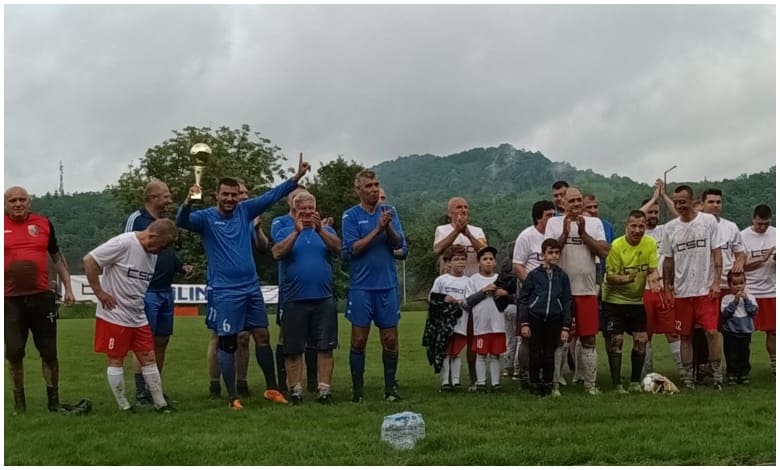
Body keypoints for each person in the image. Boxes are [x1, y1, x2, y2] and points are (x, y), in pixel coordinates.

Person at [177, 154, 310, 409]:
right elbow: (181, 221)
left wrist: (296, 178)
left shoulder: (245, 211)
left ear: (239, 196)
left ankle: (272, 389)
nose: (230, 199)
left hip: (251, 287)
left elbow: (270, 196)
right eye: (225, 194)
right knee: (227, 341)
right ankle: (232, 397)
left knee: (262, 335)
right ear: (217, 194)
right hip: (225, 291)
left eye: (234, 194)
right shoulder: (206, 218)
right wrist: (187, 200)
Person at [84, 219, 178, 412]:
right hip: (114, 314)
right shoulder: (124, 243)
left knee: (148, 356)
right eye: (159, 247)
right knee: (117, 358)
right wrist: (100, 292)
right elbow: (90, 260)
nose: (159, 252)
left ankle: (160, 404)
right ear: (152, 236)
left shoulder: (152, 254)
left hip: (137, 314)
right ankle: (124, 406)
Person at [4, 186, 75, 413]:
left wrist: (69, 287)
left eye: (22, 199)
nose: (18, 204)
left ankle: (53, 402)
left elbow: (57, 257)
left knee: (49, 352)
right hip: (9, 300)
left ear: (29, 202)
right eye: (12, 200)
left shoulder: (43, 223)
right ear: (6, 204)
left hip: (42, 297)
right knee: (14, 352)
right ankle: (20, 404)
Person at [122, 180, 193, 405]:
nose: (170, 199)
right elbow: (124, 247)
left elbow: (167, 251)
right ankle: (142, 391)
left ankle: (155, 386)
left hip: (165, 290)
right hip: (146, 290)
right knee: (144, 342)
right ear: (153, 197)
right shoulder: (136, 219)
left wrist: (181, 266)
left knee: (162, 340)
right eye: (166, 196)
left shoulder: (164, 223)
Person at [342, 169, 406, 402]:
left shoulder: (390, 212)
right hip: (361, 286)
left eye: (376, 184)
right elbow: (353, 249)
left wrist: (387, 227)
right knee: (359, 339)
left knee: (390, 338)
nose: (374, 189)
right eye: (369, 185)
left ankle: (390, 389)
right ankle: (357, 391)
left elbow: (399, 243)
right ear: (358, 189)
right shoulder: (350, 216)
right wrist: (377, 229)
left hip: (386, 285)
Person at [272, 191, 341, 405]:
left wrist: (320, 230)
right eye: (304, 209)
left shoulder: (326, 230)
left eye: (312, 208)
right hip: (294, 298)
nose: (308, 212)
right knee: (293, 348)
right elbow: (277, 253)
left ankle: (324, 390)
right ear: (295, 210)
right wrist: (296, 232)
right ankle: (296, 390)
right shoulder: (284, 229)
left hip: (323, 297)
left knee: (325, 346)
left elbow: (338, 248)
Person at [544, 187, 609, 395]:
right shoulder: (554, 223)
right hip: (561, 291)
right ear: (562, 202)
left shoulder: (594, 223)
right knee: (559, 339)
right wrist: (564, 232)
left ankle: (590, 384)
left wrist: (583, 234)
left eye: (579, 200)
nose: (576, 204)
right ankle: (555, 384)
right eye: (571, 200)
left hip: (587, 290)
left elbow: (603, 251)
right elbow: (549, 251)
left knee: (589, 338)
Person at [661, 185, 723, 390]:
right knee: (684, 335)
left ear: (691, 200)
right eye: (676, 202)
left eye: (683, 201)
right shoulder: (670, 228)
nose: (679, 205)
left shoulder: (707, 221)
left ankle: (716, 374)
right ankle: (688, 377)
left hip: (705, 290)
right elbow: (668, 260)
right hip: (682, 290)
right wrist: (667, 287)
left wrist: (716, 281)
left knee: (712, 332)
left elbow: (716, 253)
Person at [602, 210, 660, 393]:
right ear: (626, 226)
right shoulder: (617, 246)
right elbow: (610, 277)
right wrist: (627, 279)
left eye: (641, 226)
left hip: (636, 301)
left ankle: (635, 382)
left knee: (642, 340)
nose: (637, 230)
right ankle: (617, 384)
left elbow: (652, 269)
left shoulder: (650, 243)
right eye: (633, 226)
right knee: (616, 340)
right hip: (614, 300)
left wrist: (654, 280)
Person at [433, 196, 487, 390]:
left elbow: (484, 252)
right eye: (458, 208)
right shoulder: (442, 229)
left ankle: (474, 379)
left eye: (466, 207)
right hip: (450, 291)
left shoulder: (477, 231)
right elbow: (438, 249)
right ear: (450, 213)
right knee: (450, 335)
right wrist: (457, 230)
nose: (463, 210)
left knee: (473, 335)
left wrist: (468, 234)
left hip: (473, 289)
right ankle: (448, 380)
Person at [270, 185, 319, 394]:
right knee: (287, 336)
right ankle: (285, 382)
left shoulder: (315, 223)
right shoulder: (280, 223)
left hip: (313, 289)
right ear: (290, 201)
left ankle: (313, 381)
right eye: (294, 196)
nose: (298, 199)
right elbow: (278, 248)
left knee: (314, 337)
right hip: (289, 288)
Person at [694, 188, 747, 383]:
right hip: (700, 285)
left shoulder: (730, 227)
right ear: (702, 203)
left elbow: (740, 252)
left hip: (725, 284)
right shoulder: (695, 225)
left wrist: (740, 261)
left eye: (718, 202)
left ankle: (730, 369)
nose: (715, 205)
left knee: (728, 329)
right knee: (702, 330)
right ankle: (700, 368)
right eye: (711, 202)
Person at [638, 179, 682, 378]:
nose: (653, 216)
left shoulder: (666, 230)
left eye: (656, 212)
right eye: (650, 212)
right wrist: (653, 198)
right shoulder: (637, 232)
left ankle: (683, 372)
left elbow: (680, 215)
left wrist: (663, 196)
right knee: (644, 335)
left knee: (672, 332)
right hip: (643, 290)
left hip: (664, 289)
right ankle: (647, 374)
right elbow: (637, 215)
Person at [518, 238, 572, 397]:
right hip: (535, 317)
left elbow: (567, 301)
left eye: (557, 252)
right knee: (535, 351)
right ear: (543, 255)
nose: (554, 256)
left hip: (555, 318)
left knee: (550, 352)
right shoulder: (534, 275)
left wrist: (565, 326)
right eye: (550, 252)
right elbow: (524, 299)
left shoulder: (562, 276)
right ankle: (534, 382)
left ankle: (548, 383)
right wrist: (525, 323)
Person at [512, 200, 557, 387]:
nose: (553, 219)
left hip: (551, 295)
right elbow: (517, 265)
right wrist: (533, 285)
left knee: (547, 338)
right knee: (528, 337)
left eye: (555, 215)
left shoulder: (555, 236)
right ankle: (524, 373)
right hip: (531, 295)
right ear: (538, 217)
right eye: (549, 215)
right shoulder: (526, 237)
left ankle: (545, 377)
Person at [464, 246, 509, 392]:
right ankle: (481, 383)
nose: (488, 262)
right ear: (479, 262)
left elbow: (512, 297)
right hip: (481, 325)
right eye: (485, 259)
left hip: (498, 323)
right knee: (481, 354)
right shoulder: (473, 280)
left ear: (495, 262)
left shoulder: (500, 279)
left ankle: (496, 383)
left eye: (491, 259)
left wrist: (503, 293)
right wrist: (483, 292)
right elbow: (467, 302)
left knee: (495, 354)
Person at [741, 204, 776, 375]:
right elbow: (740, 267)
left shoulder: (776, 234)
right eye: (759, 224)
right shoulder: (743, 236)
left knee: (774, 331)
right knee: (745, 332)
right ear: (753, 219)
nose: (762, 227)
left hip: (772, 290)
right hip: (750, 291)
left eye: (766, 224)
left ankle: (775, 364)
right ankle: (742, 366)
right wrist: (763, 258)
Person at [429, 246, 470, 391]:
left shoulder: (469, 281)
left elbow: (470, 301)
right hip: (444, 322)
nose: (460, 262)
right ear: (448, 263)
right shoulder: (442, 280)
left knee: (456, 352)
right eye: (456, 259)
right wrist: (445, 298)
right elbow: (432, 297)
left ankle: (457, 381)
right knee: (446, 352)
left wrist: (461, 302)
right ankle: (446, 381)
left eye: (463, 259)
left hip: (461, 322)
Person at [720, 270, 758, 385]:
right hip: (731, 332)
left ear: (745, 283)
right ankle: (732, 374)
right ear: (729, 285)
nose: (738, 286)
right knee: (731, 353)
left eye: (741, 283)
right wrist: (735, 302)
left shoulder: (750, 297)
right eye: (735, 284)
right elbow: (725, 313)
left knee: (744, 353)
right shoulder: (727, 299)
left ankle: (744, 373)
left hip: (745, 331)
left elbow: (753, 311)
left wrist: (746, 300)